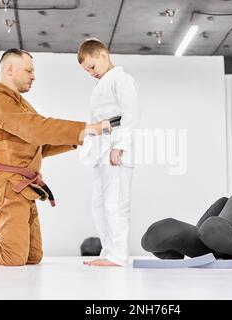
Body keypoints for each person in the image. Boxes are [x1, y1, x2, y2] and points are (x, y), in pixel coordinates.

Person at [0, 48, 111, 267]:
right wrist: (88, 128)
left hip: (22, 186)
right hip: (6, 184)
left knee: (32, 256)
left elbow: (38, 144)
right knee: (11, 255)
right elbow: (35, 129)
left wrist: (82, 137)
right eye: (29, 70)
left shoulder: (18, 104)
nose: (34, 76)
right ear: (10, 69)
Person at [78, 39, 140, 266]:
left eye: (92, 67)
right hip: (100, 146)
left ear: (103, 55)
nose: (91, 73)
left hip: (116, 144)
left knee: (116, 203)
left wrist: (120, 145)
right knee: (99, 204)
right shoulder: (101, 84)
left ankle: (118, 255)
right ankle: (107, 251)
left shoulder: (122, 79)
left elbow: (131, 113)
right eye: (87, 71)